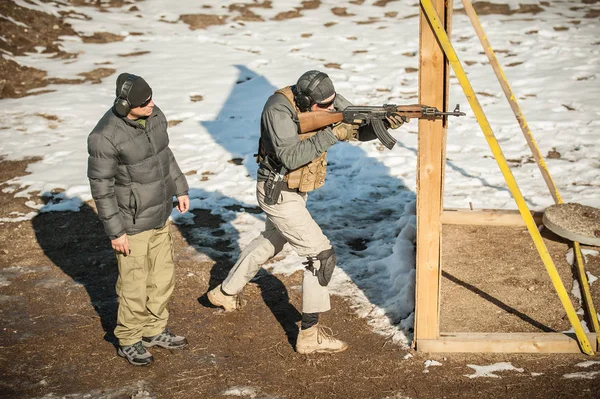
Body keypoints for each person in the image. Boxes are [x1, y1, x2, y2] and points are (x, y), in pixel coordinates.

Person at [208, 70, 405, 354]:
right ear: (304, 101)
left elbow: (356, 127)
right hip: (278, 192)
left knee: (271, 242)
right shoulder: (277, 109)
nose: (331, 108)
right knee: (321, 256)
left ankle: (223, 293)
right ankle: (309, 336)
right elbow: (290, 157)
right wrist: (332, 134)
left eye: (332, 102)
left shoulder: (326, 100)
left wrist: (383, 124)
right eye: (324, 106)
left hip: (295, 191)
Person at [87, 73, 190, 366]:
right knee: (134, 283)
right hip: (130, 222)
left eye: (151, 98)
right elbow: (101, 189)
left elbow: (164, 154)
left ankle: (154, 330)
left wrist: (179, 187)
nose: (152, 104)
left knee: (162, 277)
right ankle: (130, 338)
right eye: (145, 102)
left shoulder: (154, 116)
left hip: (159, 213)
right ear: (124, 105)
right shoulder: (104, 137)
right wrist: (115, 231)